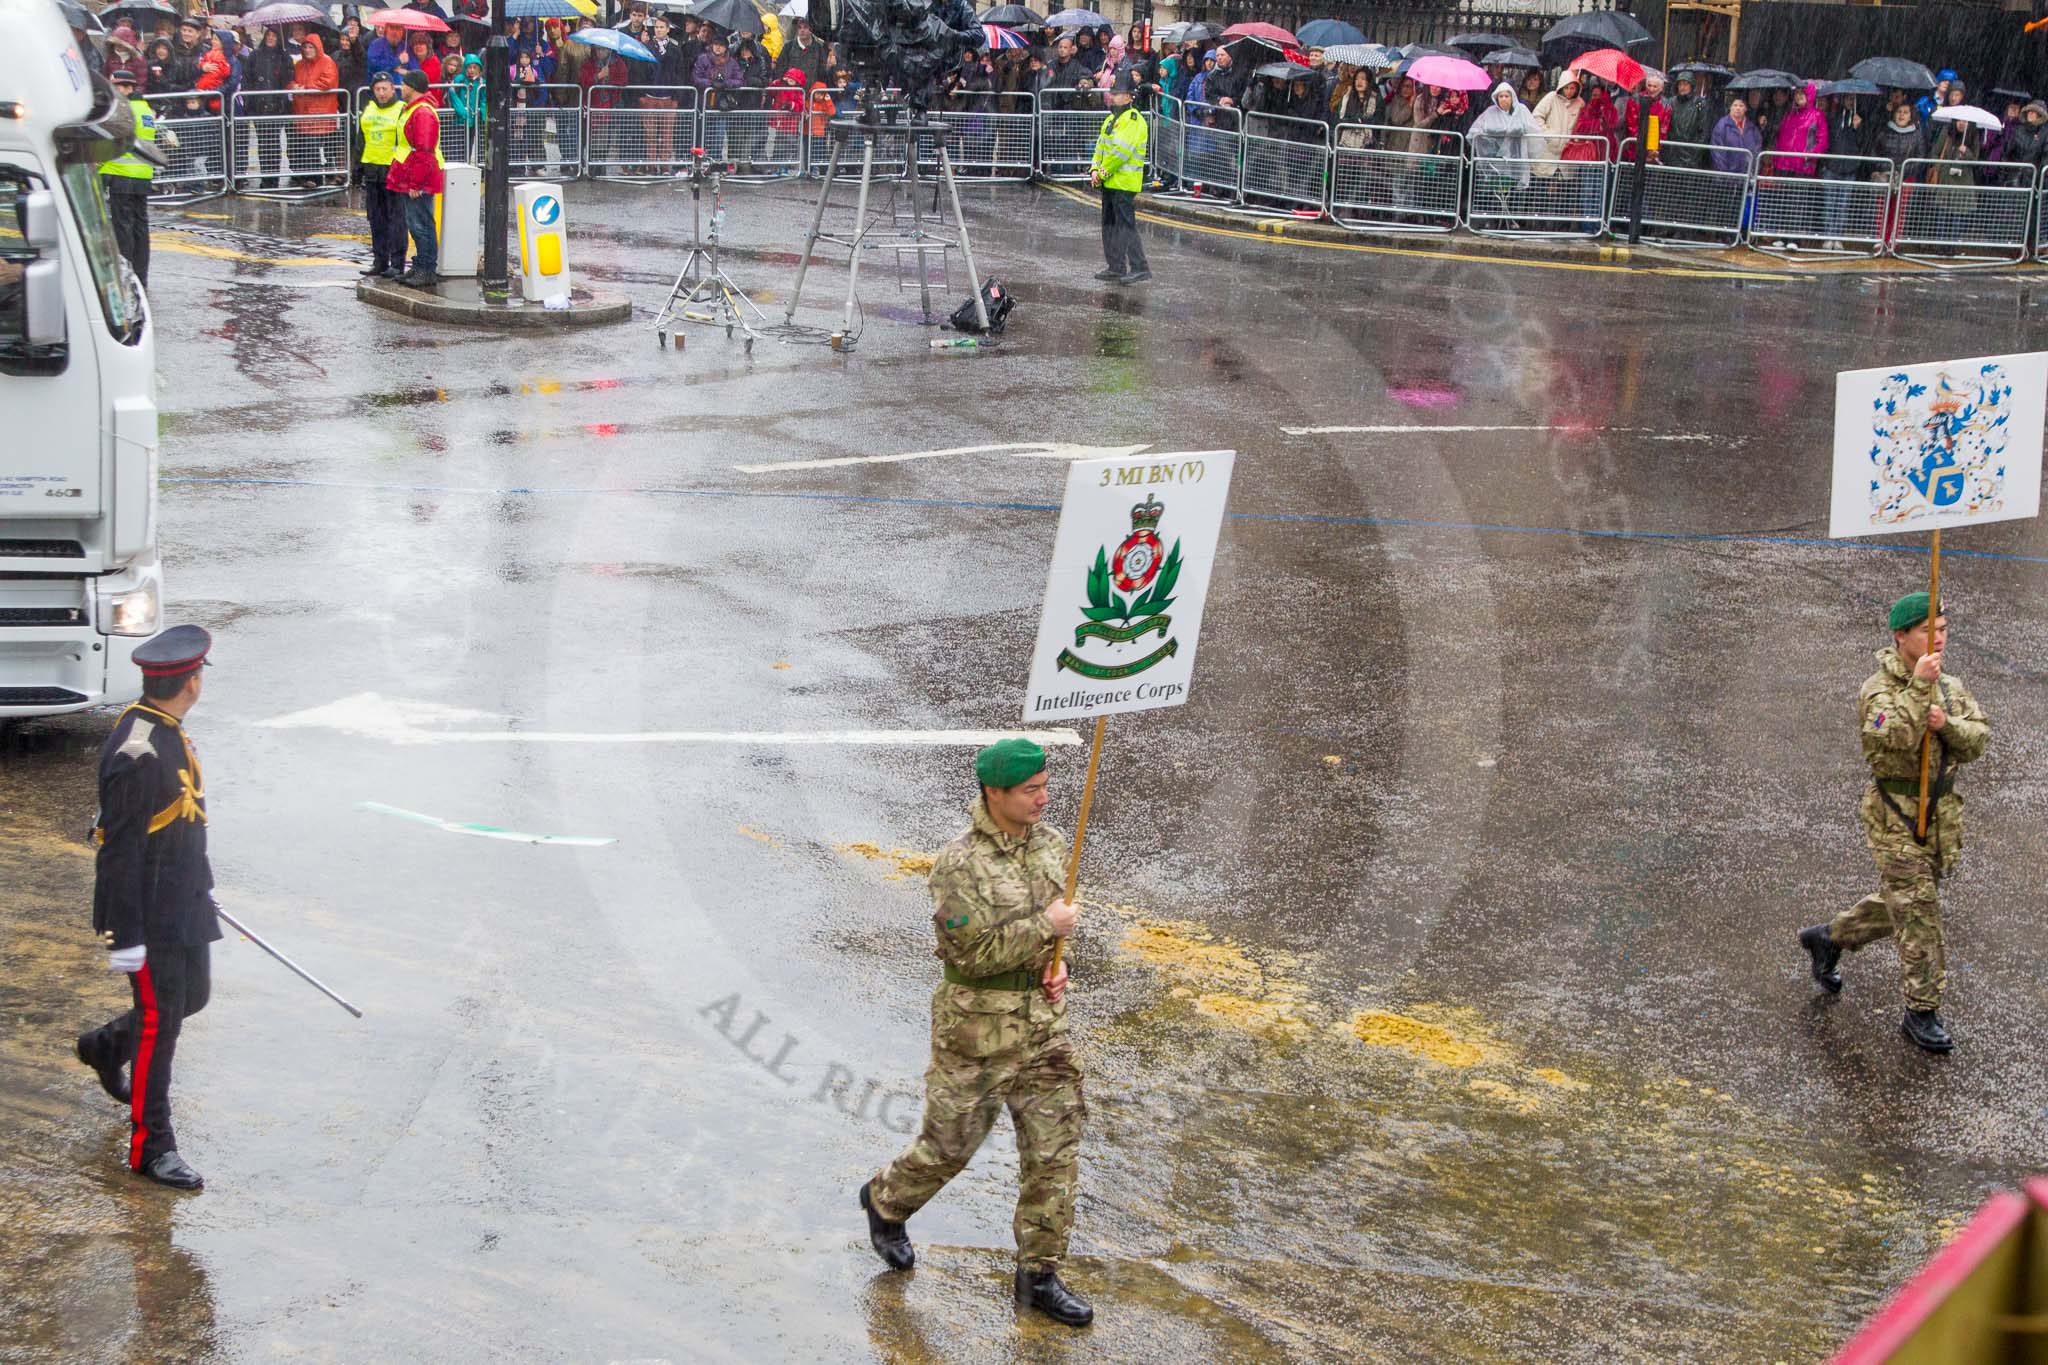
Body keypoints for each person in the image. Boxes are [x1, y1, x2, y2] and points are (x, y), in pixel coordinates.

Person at [859, 739, 1090, 1327]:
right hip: (976, 1029)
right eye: (1030, 790)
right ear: (994, 793)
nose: (1043, 798)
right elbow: (971, 952)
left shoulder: (1051, 843)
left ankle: (1039, 1275)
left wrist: (1056, 963)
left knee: (1054, 1152)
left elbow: (1052, 937)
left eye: (1045, 786)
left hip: (1044, 1027)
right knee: (951, 1146)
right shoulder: (958, 865)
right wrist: (1046, 925)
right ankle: (886, 1200)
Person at [1801, 594, 1989, 1054]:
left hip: (1940, 817)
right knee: (1919, 911)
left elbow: (1977, 740)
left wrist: (1947, 725)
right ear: (1900, 636)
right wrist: (1920, 689)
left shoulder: (1951, 687)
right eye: (1928, 630)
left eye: (1943, 628)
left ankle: (1830, 937)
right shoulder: (1878, 690)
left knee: (1903, 904)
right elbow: (1891, 739)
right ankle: (1921, 1011)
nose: (1939, 638)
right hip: (1894, 817)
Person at [73, 626, 221, 1190]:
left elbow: (183, 822)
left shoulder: (166, 729)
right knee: (160, 1025)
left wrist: (202, 887)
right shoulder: (137, 751)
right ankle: (151, 1148)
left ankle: (105, 1046)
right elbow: (119, 851)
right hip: (150, 915)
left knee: (193, 998)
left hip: (183, 899)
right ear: (192, 683)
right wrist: (125, 935)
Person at [98, 69, 166, 288]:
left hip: (121, 176)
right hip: (142, 176)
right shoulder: (145, 110)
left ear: (127, 88)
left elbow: (110, 143)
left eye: (116, 86)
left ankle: (126, 278)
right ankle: (140, 277)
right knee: (140, 230)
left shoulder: (123, 110)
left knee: (123, 229)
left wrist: (100, 170)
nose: (113, 90)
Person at [1091, 68, 1150, 284]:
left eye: (1117, 93)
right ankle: (1115, 266)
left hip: (1124, 182)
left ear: (1129, 96)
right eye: (1113, 92)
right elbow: (1100, 147)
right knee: (1109, 226)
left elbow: (1121, 152)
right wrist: (1094, 169)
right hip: (1109, 181)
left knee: (1125, 227)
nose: (1113, 96)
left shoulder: (1133, 120)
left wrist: (1102, 172)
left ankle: (1140, 267)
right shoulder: (1111, 119)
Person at [387, 69, 445, 287]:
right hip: (412, 174)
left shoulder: (422, 112)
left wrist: (416, 183)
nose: (401, 87)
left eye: (404, 84)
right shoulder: (414, 109)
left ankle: (427, 270)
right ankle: (421, 266)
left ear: (412, 87)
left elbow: (424, 150)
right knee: (416, 224)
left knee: (422, 225)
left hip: (419, 178)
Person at [357, 71, 406, 278]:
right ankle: (380, 261)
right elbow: (361, 139)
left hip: (393, 170)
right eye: (378, 89)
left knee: (396, 219)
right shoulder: (369, 108)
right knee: (376, 219)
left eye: (385, 88)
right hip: (372, 170)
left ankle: (397, 263)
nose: (382, 93)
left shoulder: (401, 109)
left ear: (393, 89)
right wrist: (357, 169)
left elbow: (405, 142)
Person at [290, 33, 342, 184]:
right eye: (305, 47)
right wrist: (293, 86)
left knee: (318, 146)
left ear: (317, 47)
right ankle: (309, 177)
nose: (307, 50)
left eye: (310, 47)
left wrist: (305, 88)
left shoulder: (327, 62)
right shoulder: (299, 65)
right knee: (305, 146)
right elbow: (292, 80)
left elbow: (327, 82)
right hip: (304, 112)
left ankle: (317, 178)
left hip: (322, 113)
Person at [1820, 90, 1869, 249]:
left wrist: (1858, 128)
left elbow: (1863, 143)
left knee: (1843, 204)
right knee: (1829, 203)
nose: (1850, 101)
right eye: (1847, 98)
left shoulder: (1860, 119)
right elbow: (1827, 139)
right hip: (1831, 166)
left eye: (1853, 99)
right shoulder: (1833, 117)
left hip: (1849, 168)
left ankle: (1838, 236)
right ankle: (1828, 235)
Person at [1665, 71, 1712, 168]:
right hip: (1672, 152)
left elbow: (1703, 131)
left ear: (1691, 86)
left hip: (1691, 153)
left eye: (1686, 84)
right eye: (1680, 84)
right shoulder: (1671, 102)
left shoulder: (1699, 103)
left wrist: (1695, 152)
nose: (1682, 87)